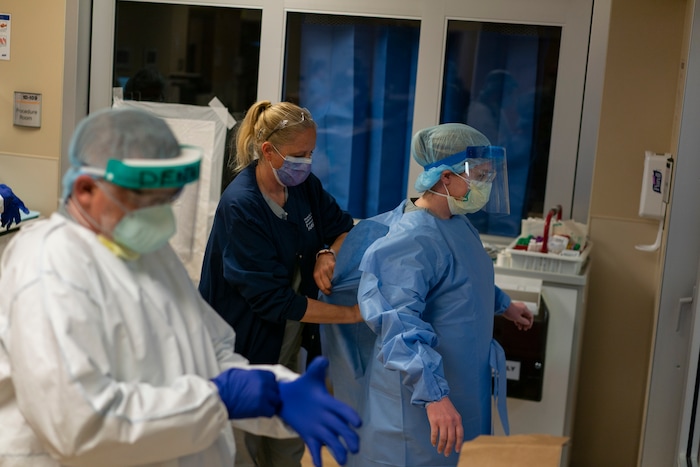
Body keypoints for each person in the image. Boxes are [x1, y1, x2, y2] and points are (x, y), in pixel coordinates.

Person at [0, 107, 361, 467]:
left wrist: (277, 393)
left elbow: (210, 349)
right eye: (144, 200)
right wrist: (219, 399)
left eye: (167, 198)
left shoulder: (148, 253)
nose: (160, 213)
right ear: (85, 190)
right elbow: (80, 424)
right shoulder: (48, 267)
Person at [323, 122, 535, 466]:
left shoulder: (455, 222)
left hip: (453, 386)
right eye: (479, 175)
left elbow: (463, 279)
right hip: (416, 400)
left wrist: (504, 305)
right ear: (446, 177)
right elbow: (398, 324)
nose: (486, 183)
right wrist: (433, 396)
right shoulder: (410, 239)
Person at [198, 100, 362, 467]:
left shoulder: (303, 187)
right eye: (298, 154)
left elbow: (342, 228)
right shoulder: (242, 206)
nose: (306, 162)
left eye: (311, 153)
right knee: (246, 448)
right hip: (243, 349)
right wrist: (351, 314)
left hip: (287, 341)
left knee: (287, 441)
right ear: (268, 151)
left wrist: (326, 254)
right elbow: (273, 301)